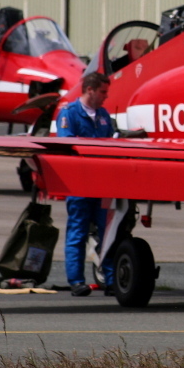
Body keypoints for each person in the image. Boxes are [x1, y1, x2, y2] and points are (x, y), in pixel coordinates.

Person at [57, 72, 116, 295]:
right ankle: (76, 281)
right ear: (89, 89)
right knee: (78, 232)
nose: (105, 97)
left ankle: (110, 280)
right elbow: (67, 145)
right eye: (102, 92)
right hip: (79, 185)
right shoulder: (69, 114)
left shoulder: (103, 115)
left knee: (107, 233)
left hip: (101, 185)